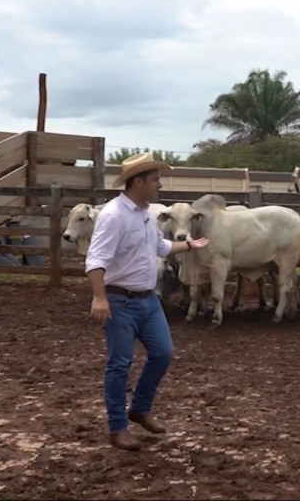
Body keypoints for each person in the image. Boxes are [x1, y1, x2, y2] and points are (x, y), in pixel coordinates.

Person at [85, 152, 209, 451]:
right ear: (138, 181)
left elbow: (160, 246)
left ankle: (139, 409)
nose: (159, 184)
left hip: (147, 299)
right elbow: (96, 259)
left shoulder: (144, 213)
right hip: (120, 300)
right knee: (120, 364)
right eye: (155, 179)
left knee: (163, 353)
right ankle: (117, 428)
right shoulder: (114, 216)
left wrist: (188, 245)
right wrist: (100, 297)